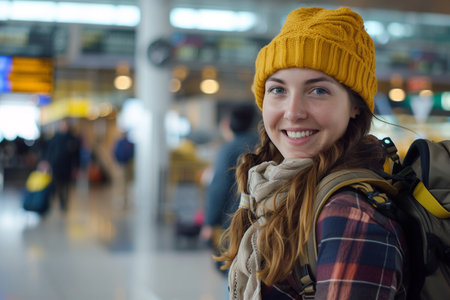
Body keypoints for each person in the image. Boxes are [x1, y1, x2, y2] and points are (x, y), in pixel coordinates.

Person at [216, 7, 407, 300]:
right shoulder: (274, 191)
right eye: (278, 90)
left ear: (355, 106)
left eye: (318, 91)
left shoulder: (348, 215)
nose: (293, 112)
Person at [200, 103, 259, 271]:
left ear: (228, 124)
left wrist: (209, 223)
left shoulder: (227, 149)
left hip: (232, 222)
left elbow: (219, 187)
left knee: (232, 274)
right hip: (259, 219)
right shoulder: (261, 144)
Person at [44, 118, 80, 212]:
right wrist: (47, 162)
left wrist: (77, 167)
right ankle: (61, 200)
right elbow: (49, 151)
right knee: (58, 185)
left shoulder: (72, 138)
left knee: (67, 186)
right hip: (57, 166)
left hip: (68, 166)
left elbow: (76, 154)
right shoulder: (55, 138)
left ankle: (65, 203)